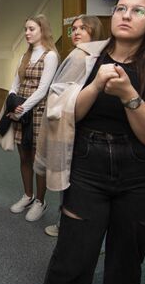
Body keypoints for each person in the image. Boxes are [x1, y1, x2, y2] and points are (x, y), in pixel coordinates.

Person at [41, 0, 145, 284]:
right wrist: (96, 85)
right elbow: (65, 115)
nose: (126, 15)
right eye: (121, 8)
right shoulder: (83, 58)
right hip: (87, 168)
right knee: (71, 262)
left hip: (139, 176)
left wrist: (129, 96)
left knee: (125, 267)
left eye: (139, 10)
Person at [40, 14, 103, 238]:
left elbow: (59, 93)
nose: (76, 32)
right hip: (89, 125)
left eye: (82, 29)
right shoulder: (102, 55)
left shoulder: (79, 56)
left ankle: (64, 224)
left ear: (93, 32)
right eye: (73, 29)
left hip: (72, 122)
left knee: (68, 173)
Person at [7, 15, 59, 222]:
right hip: (21, 110)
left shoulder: (51, 56)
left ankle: (40, 201)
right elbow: (15, 83)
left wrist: (22, 109)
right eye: (25, 29)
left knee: (39, 161)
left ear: (42, 30)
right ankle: (27, 196)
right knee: (24, 157)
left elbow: (43, 89)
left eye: (31, 29)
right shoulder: (24, 56)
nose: (27, 33)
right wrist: (12, 99)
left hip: (38, 113)